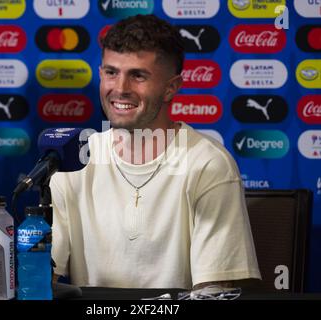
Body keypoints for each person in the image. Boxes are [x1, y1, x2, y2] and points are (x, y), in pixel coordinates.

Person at [50, 14, 261, 290]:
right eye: (111, 73)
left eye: (138, 76)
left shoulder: (207, 164)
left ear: (171, 87)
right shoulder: (73, 160)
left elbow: (212, 293)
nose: (120, 89)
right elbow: (39, 280)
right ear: (101, 74)